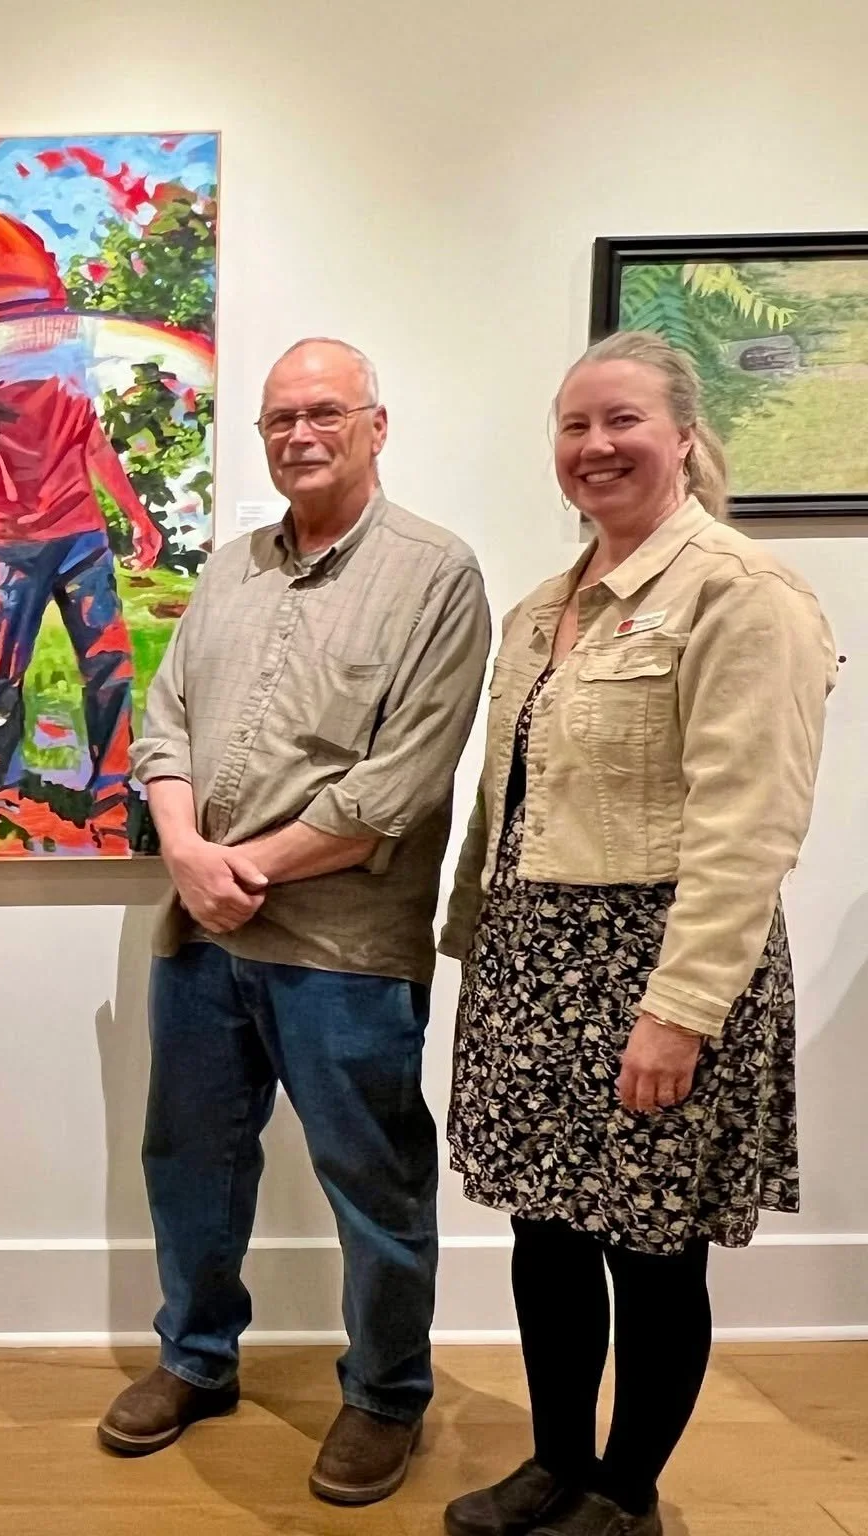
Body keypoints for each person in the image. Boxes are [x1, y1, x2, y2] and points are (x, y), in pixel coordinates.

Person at [439, 333, 835, 1536]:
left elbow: (746, 826)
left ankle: (624, 1493)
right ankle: (555, 1462)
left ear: (679, 435)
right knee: (544, 1231)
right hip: (529, 964)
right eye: (572, 426)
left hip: (655, 969)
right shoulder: (539, 609)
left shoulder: (740, 594)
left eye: (619, 422)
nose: (593, 446)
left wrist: (678, 1012)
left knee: (653, 1249)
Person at [99, 338, 490, 1506]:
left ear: (377, 423)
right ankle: (195, 1358)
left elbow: (399, 786)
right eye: (278, 418)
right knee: (188, 1162)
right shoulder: (230, 569)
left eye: (324, 411)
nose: (298, 434)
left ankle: (382, 1397)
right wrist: (183, 852)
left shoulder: (435, 575)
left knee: (370, 1180)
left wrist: (241, 870)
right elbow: (162, 720)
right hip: (201, 939)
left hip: (343, 953)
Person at [0, 367, 164, 851]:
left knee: (111, 665)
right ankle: (1, 786)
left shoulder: (67, 363)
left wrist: (138, 516)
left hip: (81, 535)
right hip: (9, 541)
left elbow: (94, 443)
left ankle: (110, 794)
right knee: (2, 672)